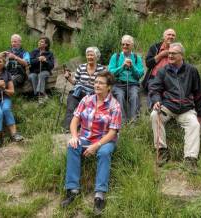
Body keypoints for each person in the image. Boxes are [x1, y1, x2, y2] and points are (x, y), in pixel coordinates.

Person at [61, 71, 121, 215]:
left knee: (104, 152)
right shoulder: (87, 99)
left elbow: (113, 132)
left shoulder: (114, 105)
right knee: (72, 146)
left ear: (109, 87)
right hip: (85, 136)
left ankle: (99, 195)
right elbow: (75, 120)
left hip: (104, 139)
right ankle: (73, 190)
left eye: (101, 83)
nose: (97, 85)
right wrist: (74, 136)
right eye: (96, 82)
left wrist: (96, 146)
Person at [149, 42, 201, 168]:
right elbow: (154, 88)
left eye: (173, 53)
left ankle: (190, 159)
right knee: (154, 115)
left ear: (181, 55)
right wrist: (156, 100)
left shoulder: (192, 70)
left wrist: (200, 114)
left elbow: (199, 93)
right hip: (168, 106)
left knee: (194, 124)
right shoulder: (163, 71)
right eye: (169, 53)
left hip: (186, 108)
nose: (170, 55)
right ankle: (162, 151)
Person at [62, 47, 105, 131]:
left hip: (92, 94)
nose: (89, 57)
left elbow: (103, 84)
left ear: (96, 57)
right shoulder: (81, 67)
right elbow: (75, 82)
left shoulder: (101, 69)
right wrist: (68, 78)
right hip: (77, 92)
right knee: (71, 107)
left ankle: (81, 127)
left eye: (92, 55)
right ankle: (67, 128)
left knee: (87, 112)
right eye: (88, 55)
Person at [108, 35, 144, 123]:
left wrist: (132, 67)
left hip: (133, 84)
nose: (124, 46)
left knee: (134, 95)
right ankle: (122, 121)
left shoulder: (137, 58)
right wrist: (122, 67)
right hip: (118, 84)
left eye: (127, 44)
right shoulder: (115, 56)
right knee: (119, 96)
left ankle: (133, 121)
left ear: (132, 45)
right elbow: (110, 73)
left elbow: (140, 74)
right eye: (123, 44)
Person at [142, 28, 177, 93]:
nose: (171, 37)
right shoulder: (155, 47)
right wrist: (160, 55)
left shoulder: (177, 49)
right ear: (163, 37)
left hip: (171, 78)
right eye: (169, 34)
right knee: (154, 91)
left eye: (173, 35)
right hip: (154, 78)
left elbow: (181, 66)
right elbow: (148, 64)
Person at [28, 36, 55, 104]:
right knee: (32, 76)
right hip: (33, 72)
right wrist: (38, 59)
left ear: (46, 44)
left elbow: (51, 66)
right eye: (39, 41)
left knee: (41, 75)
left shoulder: (50, 54)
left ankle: (39, 95)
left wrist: (45, 61)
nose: (39, 42)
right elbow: (30, 62)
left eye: (42, 42)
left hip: (45, 71)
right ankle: (42, 95)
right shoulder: (34, 52)